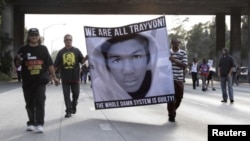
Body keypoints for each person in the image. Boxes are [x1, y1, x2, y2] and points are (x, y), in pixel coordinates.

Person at [89, 32, 173, 102]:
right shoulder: (99, 88)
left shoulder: (165, 84)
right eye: (117, 60)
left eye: (136, 57)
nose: (128, 70)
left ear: (149, 62)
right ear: (107, 67)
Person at [15, 28, 60, 133]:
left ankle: (39, 123)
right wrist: (18, 59)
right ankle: (31, 122)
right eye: (32, 35)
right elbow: (17, 65)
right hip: (27, 81)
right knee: (29, 103)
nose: (34, 36)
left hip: (40, 81)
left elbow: (49, 64)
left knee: (40, 101)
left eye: (36, 35)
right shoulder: (23, 49)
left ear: (39, 36)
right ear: (28, 37)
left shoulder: (43, 49)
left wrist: (54, 77)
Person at [54, 34, 87, 118]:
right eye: (66, 40)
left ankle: (74, 104)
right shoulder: (61, 52)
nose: (68, 41)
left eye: (69, 40)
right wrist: (53, 77)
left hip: (75, 77)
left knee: (76, 94)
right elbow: (56, 65)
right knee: (66, 95)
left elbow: (82, 61)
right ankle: (68, 111)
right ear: (64, 41)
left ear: (72, 41)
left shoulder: (76, 50)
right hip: (65, 77)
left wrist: (86, 58)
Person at [168, 38, 188, 122]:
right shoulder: (167, 52)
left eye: (178, 43)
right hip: (169, 79)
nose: (176, 44)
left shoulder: (183, 53)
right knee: (170, 98)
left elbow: (184, 65)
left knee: (179, 98)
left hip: (179, 79)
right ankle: (171, 115)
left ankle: (173, 110)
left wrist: (174, 60)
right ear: (171, 43)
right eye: (175, 43)